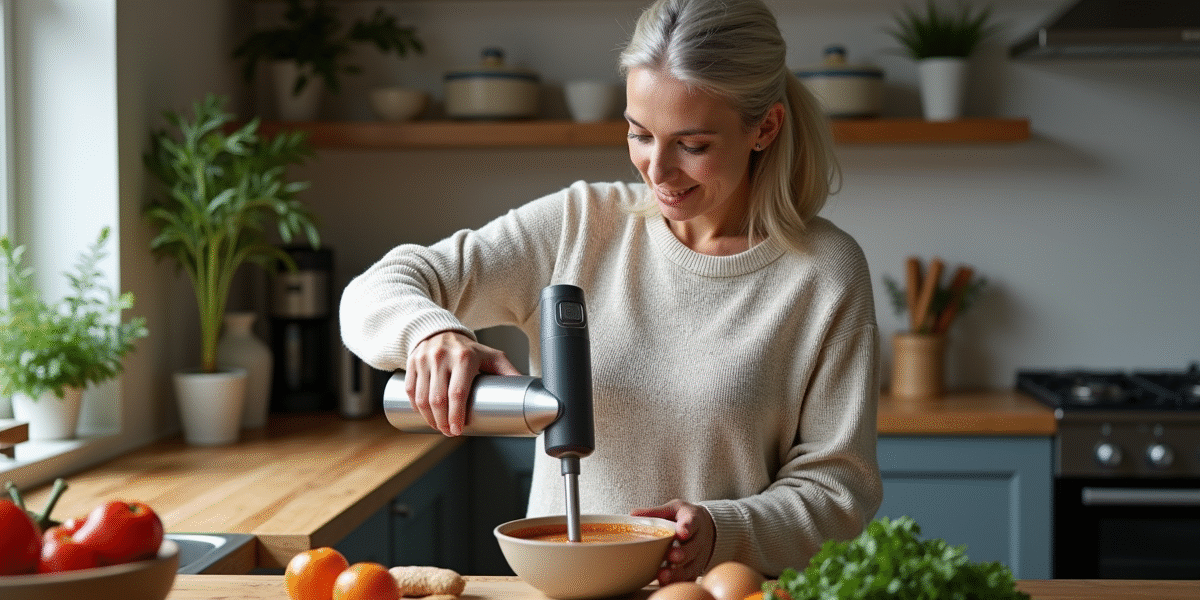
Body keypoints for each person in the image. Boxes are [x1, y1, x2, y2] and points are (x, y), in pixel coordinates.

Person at [339, 0, 882, 583]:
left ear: (765, 128)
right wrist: (430, 333)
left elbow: (838, 491)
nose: (657, 170)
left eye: (693, 145)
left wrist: (722, 530)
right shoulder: (579, 224)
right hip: (560, 590)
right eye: (639, 134)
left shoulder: (824, 272)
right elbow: (373, 290)